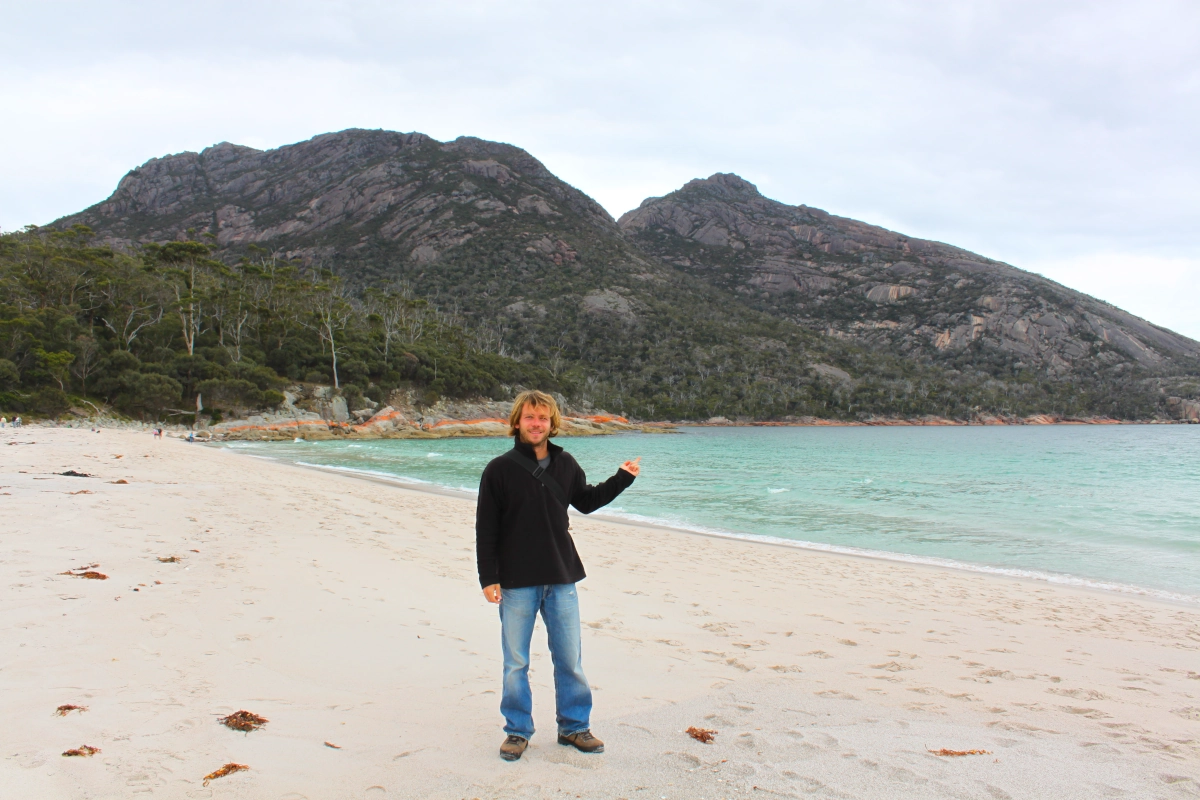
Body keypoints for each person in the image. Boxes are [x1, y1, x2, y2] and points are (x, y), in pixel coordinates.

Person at [476, 390, 641, 762]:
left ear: (553, 423)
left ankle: (574, 727)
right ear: (517, 421)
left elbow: (585, 500)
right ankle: (517, 731)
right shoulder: (498, 469)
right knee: (516, 662)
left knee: (569, 658)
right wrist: (488, 577)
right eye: (530, 417)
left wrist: (622, 479)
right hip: (516, 581)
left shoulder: (566, 463)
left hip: (561, 576)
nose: (537, 424)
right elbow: (486, 529)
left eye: (544, 418)